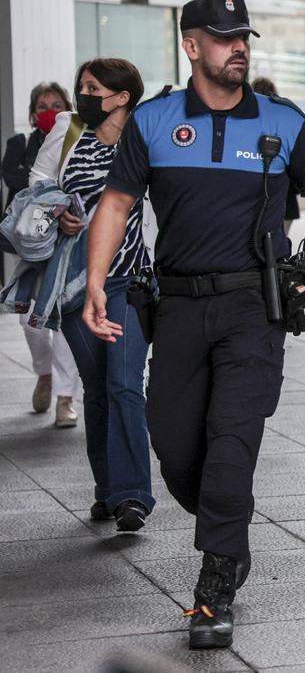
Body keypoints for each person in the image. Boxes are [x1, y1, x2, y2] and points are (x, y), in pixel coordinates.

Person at [84, 0, 305, 649]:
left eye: (243, 37)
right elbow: (117, 203)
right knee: (176, 446)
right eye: (223, 37)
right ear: (191, 46)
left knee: (232, 439)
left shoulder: (284, 122)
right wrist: (95, 280)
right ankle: (227, 523)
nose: (238, 47)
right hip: (176, 307)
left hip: (252, 311)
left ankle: (215, 588)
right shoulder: (153, 121)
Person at [28, 59, 154, 528]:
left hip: (128, 282)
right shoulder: (68, 133)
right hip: (75, 287)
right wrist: (59, 209)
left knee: (124, 383)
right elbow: (39, 183)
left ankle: (133, 496)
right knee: (99, 389)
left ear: (121, 97)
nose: (82, 94)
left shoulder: (143, 141)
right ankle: (108, 489)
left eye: (91, 87)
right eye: (81, 85)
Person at [2, 82, 81, 425]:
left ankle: (65, 397)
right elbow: (15, 180)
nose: (49, 110)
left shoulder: (76, 139)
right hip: (33, 241)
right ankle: (44, 374)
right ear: (33, 113)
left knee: (62, 317)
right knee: (30, 320)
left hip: (67, 237)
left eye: (56, 104)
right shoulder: (19, 144)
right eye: (42, 105)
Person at [250, 77, 301, 235]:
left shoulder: (247, 123)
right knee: (280, 244)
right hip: (285, 198)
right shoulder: (283, 120)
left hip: (256, 200)